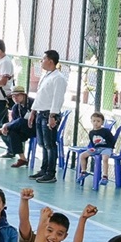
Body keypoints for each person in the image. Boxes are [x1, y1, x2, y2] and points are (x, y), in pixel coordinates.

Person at [28, 51, 70, 181]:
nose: (41, 61)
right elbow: (39, 96)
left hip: (49, 115)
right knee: (42, 143)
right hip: (41, 113)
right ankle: (43, 169)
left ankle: (51, 173)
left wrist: (52, 116)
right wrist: (33, 112)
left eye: (43, 59)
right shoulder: (46, 76)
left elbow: (57, 99)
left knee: (50, 144)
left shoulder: (58, 78)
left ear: (50, 61)